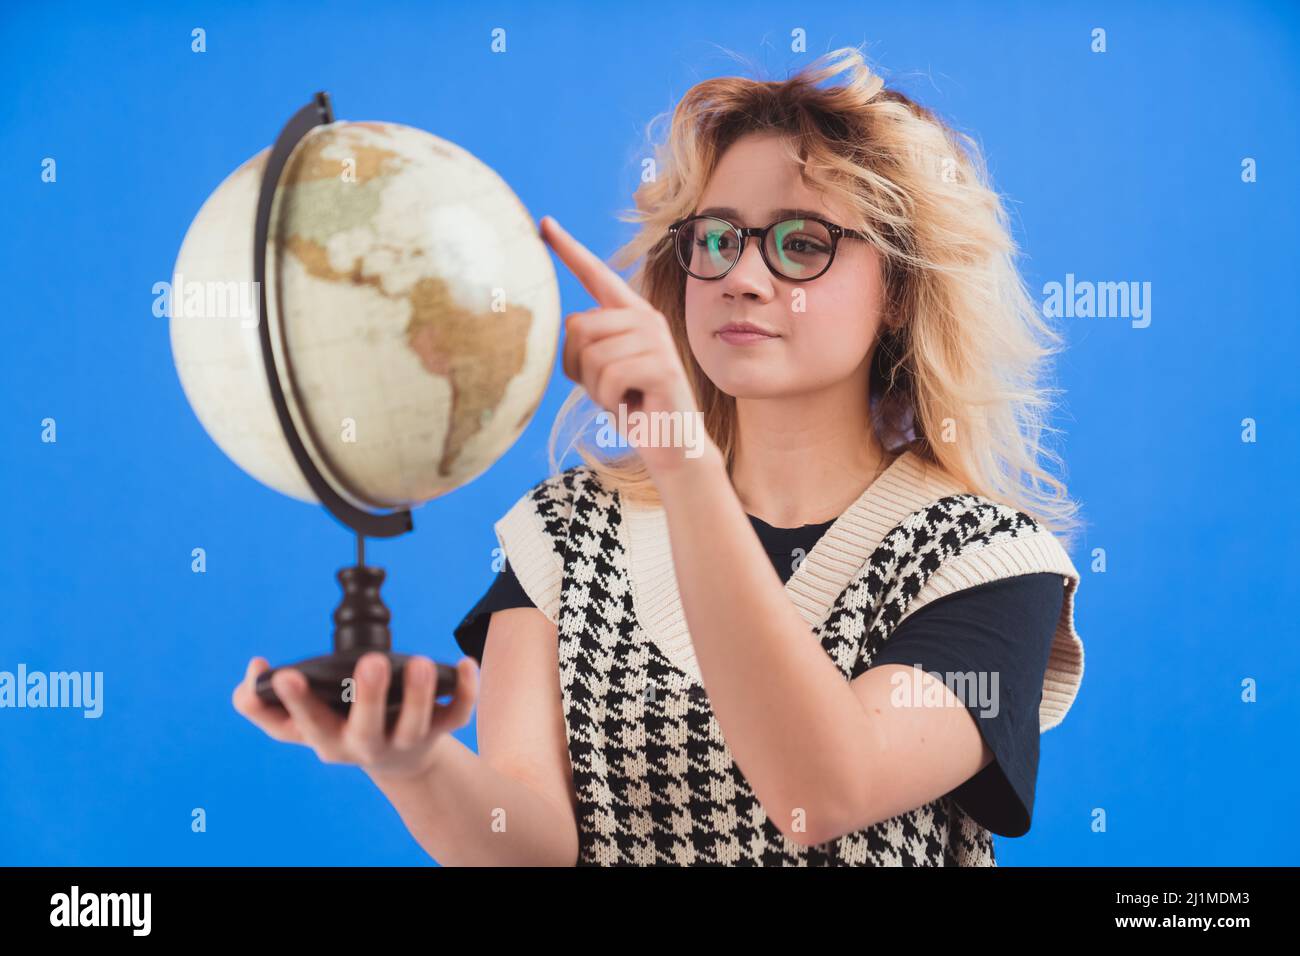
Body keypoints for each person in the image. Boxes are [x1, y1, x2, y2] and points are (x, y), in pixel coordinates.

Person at [233, 46, 1085, 866]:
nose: (742, 278)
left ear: (896, 289)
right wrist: (411, 761)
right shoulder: (564, 534)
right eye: (716, 239)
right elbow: (532, 843)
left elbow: (819, 793)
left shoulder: (987, 565)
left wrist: (682, 462)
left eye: (802, 242)